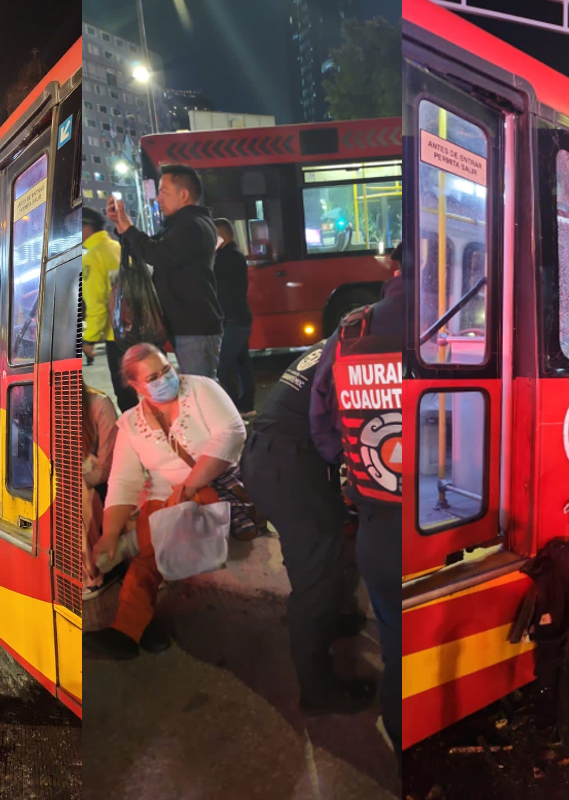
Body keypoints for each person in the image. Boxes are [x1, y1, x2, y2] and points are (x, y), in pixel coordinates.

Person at [83, 342, 249, 659]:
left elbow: (232, 433)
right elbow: (123, 480)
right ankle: (126, 632)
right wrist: (109, 532)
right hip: (167, 503)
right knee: (157, 531)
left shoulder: (201, 389)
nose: (165, 379)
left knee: (159, 524)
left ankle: (131, 553)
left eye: (166, 370)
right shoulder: (131, 422)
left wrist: (188, 487)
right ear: (134, 386)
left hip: (214, 487)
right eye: (153, 377)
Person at [240, 338, 374, 715]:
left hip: (279, 457)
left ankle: (335, 616)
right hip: (287, 464)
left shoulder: (344, 338)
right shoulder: (362, 348)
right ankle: (317, 690)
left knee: (328, 550)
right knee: (315, 574)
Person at [310, 243, 403, 750]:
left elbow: (322, 427)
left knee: (395, 641)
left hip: (380, 518)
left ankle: (399, 733)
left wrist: (354, 476)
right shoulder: (473, 326)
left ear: (395, 267)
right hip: (458, 520)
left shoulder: (352, 331)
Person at [106, 164, 223, 378]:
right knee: (195, 389)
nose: (158, 199)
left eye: (163, 192)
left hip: (194, 326)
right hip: (187, 324)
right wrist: (123, 228)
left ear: (184, 194)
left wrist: (128, 228)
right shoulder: (181, 224)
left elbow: (157, 253)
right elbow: (150, 248)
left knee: (201, 391)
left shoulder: (192, 225)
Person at [81, 207, 137, 411]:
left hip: (117, 336)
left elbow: (97, 303)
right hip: (138, 329)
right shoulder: (117, 247)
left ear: (87, 227)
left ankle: (138, 437)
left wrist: (90, 339)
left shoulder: (92, 257)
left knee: (126, 393)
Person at [213, 218, 255, 417]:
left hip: (234, 321)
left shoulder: (226, 258)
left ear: (221, 236)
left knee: (224, 367)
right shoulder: (233, 255)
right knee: (241, 362)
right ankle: (247, 405)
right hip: (239, 318)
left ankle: (234, 409)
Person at [82, 384, 121, 598]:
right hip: (79, 474)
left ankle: (92, 573)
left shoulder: (99, 405)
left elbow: (108, 467)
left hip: (102, 481)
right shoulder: (51, 405)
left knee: (75, 494)